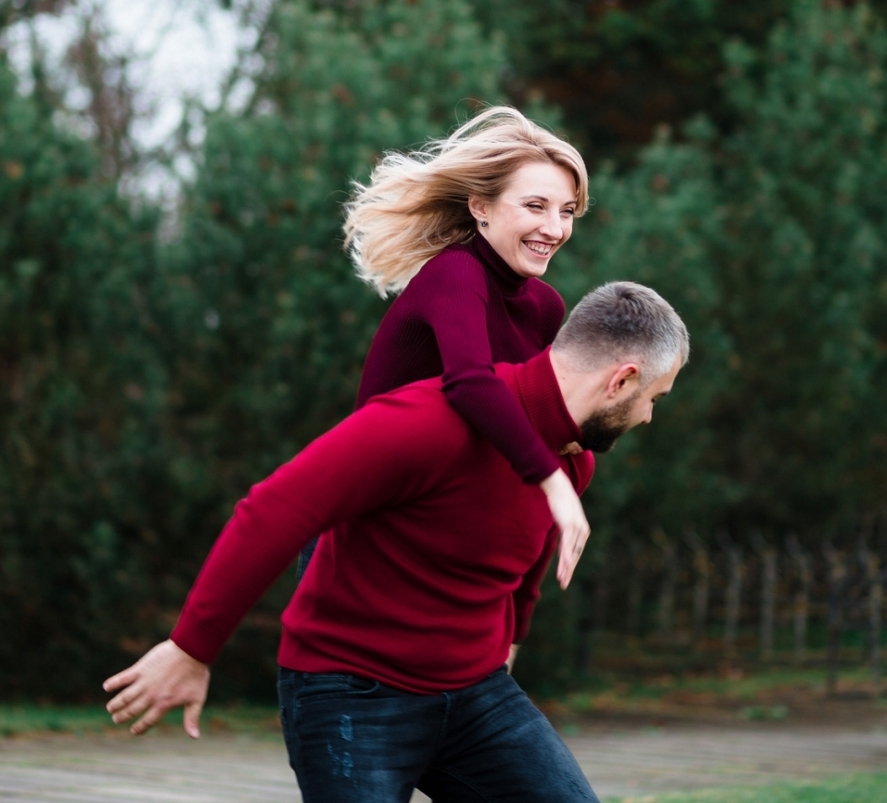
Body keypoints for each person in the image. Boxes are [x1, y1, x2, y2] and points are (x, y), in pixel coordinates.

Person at [103, 282, 689, 803]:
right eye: (654, 400)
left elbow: (527, 565)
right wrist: (191, 648)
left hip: (476, 696)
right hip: (351, 696)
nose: (647, 419)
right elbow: (272, 511)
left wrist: (510, 640)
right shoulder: (425, 423)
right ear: (622, 380)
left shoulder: (573, 463)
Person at [316, 106, 592, 590]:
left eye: (566, 211)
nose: (554, 228)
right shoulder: (455, 274)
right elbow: (469, 383)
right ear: (479, 206)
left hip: (434, 537)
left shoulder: (545, 307)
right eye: (535, 206)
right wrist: (552, 481)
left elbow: (539, 428)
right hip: (361, 531)